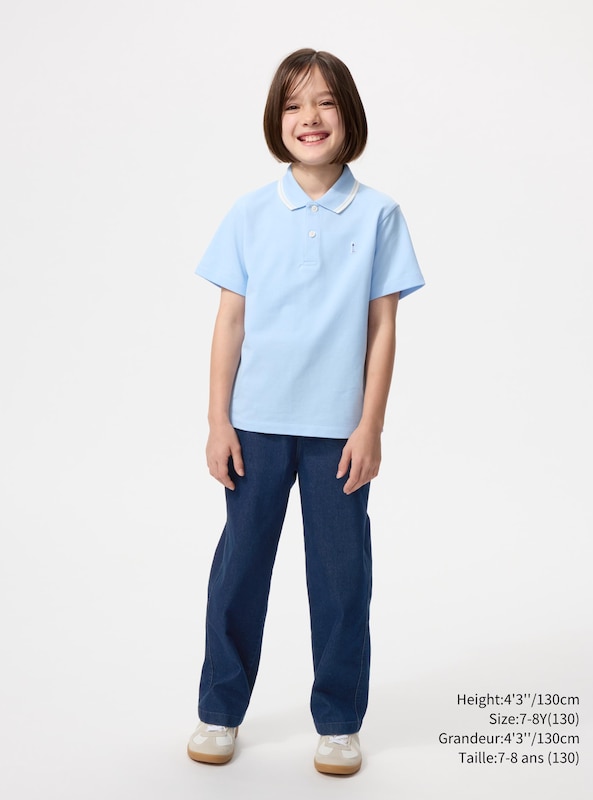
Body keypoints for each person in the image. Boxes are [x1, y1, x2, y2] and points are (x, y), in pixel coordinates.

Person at [187, 48, 424, 775]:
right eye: (293, 105)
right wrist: (218, 421)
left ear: (348, 115)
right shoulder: (250, 212)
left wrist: (370, 426)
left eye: (324, 102)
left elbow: (383, 328)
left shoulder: (380, 214)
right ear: (276, 119)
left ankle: (339, 721)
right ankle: (219, 710)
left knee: (342, 579)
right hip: (255, 425)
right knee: (239, 570)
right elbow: (230, 322)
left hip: (338, 434)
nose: (309, 117)